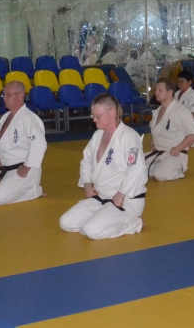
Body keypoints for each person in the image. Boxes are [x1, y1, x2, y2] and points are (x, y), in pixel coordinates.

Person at [60, 93, 147, 239]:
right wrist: (87, 184)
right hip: (101, 197)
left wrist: (121, 194)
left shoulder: (128, 136)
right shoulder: (97, 135)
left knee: (91, 230)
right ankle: (104, 219)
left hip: (125, 201)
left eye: (97, 116)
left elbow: (137, 169)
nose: (94, 119)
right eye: (92, 116)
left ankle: (134, 223)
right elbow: (86, 160)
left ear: (111, 112)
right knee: (66, 223)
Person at [0, 81, 47, 204]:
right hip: (6, 169)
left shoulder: (29, 118)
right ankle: (16, 187)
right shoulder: (5, 118)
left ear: (20, 95)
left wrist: (26, 168)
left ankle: (32, 190)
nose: (4, 98)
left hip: (24, 170)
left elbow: (39, 144)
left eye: (8, 95)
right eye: (3, 95)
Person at [144, 78, 194, 181]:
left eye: (160, 90)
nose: (156, 93)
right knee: (134, 167)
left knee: (160, 175)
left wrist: (178, 148)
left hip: (175, 154)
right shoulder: (157, 112)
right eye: (156, 90)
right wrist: (153, 143)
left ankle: (178, 169)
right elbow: (155, 130)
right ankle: (156, 166)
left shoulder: (180, 111)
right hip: (159, 152)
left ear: (169, 92)